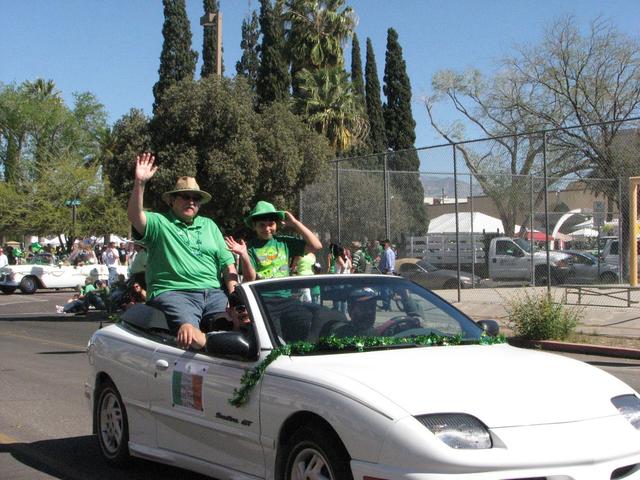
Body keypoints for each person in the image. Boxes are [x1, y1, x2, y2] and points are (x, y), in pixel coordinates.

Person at [128, 152, 238, 349]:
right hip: (174, 294)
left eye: (196, 198)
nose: (191, 201)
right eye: (185, 196)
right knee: (190, 335)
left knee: (239, 327)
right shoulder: (160, 223)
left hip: (214, 294)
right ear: (172, 200)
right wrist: (140, 183)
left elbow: (227, 264)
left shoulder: (210, 225)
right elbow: (136, 216)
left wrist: (235, 298)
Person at [225, 200, 322, 282]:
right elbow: (250, 278)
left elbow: (316, 246)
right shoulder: (249, 248)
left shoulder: (284, 243)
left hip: (285, 297)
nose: (267, 229)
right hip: (261, 299)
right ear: (254, 226)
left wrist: (295, 223)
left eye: (271, 224)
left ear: (277, 225)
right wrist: (244, 255)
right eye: (262, 225)